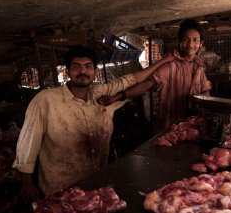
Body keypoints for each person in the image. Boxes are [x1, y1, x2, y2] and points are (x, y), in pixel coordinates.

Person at [12, 45, 178, 202]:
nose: (82, 71)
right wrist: (27, 182)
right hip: (60, 189)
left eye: (88, 66)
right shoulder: (45, 100)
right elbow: (28, 141)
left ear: (95, 71)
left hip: (97, 183)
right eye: (76, 66)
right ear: (67, 71)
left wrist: (164, 60)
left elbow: (130, 80)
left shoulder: (101, 95)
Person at [103, 19, 212, 134]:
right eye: (186, 40)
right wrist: (118, 96)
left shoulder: (198, 68)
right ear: (180, 42)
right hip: (169, 130)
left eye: (195, 40)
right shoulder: (169, 66)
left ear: (201, 43)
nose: (191, 45)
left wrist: (206, 106)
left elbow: (206, 93)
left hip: (191, 129)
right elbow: (145, 85)